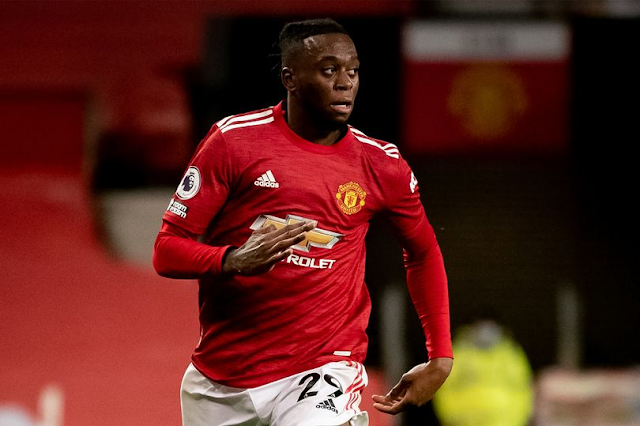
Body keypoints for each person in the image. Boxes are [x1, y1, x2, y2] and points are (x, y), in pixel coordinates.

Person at [152, 18, 453, 426]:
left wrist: (440, 355)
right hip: (223, 379)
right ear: (289, 78)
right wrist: (232, 260)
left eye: (353, 71)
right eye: (329, 70)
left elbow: (422, 251)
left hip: (323, 366)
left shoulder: (381, 165)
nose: (345, 83)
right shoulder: (233, 142)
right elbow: (166, 250)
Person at [433, 313, 533, 426]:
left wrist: (517, 419)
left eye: (491, 326)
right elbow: (443, 388)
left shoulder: (511, 354)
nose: (486, 331)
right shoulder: (458, 354)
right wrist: (451, 417)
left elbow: (523, 388)